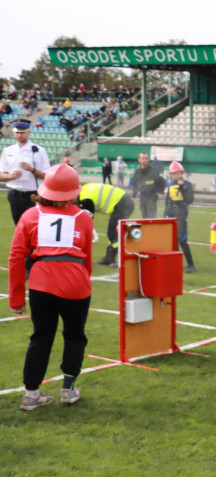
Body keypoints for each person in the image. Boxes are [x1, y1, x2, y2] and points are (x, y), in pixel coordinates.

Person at [7, 164, 93, 410]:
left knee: (41, 337)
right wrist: (84, 279)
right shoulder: (83, 217)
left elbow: (16, 258)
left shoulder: (30, 215)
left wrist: (16, 298)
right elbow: (86, 257)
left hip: (41, 284)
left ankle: (31, 394)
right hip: (76, 285)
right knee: (75, 336)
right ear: (73, 192)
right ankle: (68, 389)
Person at [1, 119, 51, 225]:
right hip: (15, 194)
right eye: (17, 132)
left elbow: (47, 176)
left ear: (28, 132)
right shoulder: (8, 151)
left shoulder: (38, 150)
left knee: (34, 226)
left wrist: (31, 169)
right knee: (19, 226)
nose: (19, 135)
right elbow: (2, 173)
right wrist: (10, 176)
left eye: (22, 132)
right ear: (14, 132)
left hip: (33, 195)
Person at [78, 182, 135, 267]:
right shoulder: (84, 189)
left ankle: (117, 259)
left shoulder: (85, 199)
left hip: (122, 204)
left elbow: (87, 222)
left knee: (113, 233)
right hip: (123, 201)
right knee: (113, 233)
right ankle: (110, 258)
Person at [164, 161, 196, 273]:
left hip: (182, 215)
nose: (176, 175)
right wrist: (165, 214)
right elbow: (168, 200)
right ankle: (175, 264)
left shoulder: (187, 184)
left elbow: (190, 199)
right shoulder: (171, 185)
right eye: (174, 174)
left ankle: (191, 265)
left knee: (182, 240)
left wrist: (183, 187)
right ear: (171, 175)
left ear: (181, 173)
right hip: (171, 214)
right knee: (173, 241)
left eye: (178, 173)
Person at [131, 152, 164, 219]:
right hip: (142, 196)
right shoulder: (137, 172)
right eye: (143, 158)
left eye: (146, 158)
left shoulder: (154, 170)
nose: (145, 160)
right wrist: (133, 195)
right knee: (144, 216)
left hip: (152, 196)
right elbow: (135, 184)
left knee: (152, 216)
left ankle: (152, 229)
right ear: (139, 160)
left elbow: (161, 182)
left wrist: (160, 192)